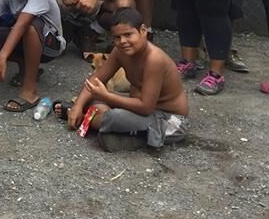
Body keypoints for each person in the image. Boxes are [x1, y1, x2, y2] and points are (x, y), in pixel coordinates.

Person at [64, 8, 189, 152]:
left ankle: (93, 120)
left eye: (128, 35)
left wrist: (106, 96)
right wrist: (78, 105)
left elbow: (145, 107)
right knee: (89, 98)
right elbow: (94, 80)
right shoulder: (120, 52)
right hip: (139, 109)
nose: (122, 41)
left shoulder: (154, 59)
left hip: (169, 120)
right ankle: (89, 117)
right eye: (117, 37)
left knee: (113, 117)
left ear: (143, 31)